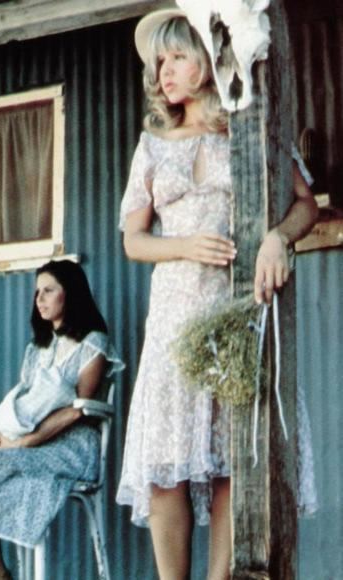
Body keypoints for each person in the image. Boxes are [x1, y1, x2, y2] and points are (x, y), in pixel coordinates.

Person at [115, 9, 319, 580]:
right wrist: (182, 246)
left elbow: (306, 203)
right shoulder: (153, 145)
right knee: (165, 466)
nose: (163, 72)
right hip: (175, 319)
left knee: (235, 455)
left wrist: (279, 237)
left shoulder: (252, 133)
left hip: (237, 316)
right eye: (159, 62)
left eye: (176, 57)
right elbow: (132, 240)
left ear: (208, 57)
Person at [0, 260, 124, 580]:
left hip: (70, 444)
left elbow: (78, 408)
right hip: (24, 441)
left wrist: (25, 442)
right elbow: (23, 406)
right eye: (36, 293)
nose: (40, 299)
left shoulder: (92, 343)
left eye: (49, 291)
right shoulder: (37, 349)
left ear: (69, 294)